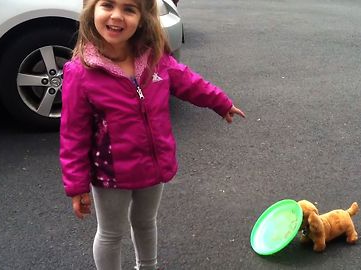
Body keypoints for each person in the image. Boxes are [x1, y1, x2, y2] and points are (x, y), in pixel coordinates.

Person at [59, 0, 245, 269]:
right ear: (92, 11)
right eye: (107, 5)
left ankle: (148, 266)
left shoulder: (154, 59)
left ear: (142, 17)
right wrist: (77, 186)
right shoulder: (81, 72)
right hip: (111, 174)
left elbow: (189, 82)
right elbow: (73, 135)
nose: (117, 16)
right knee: (111, 233)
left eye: (129, 9)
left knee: (146, 222)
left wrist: (220, 102)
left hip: (153, 166)